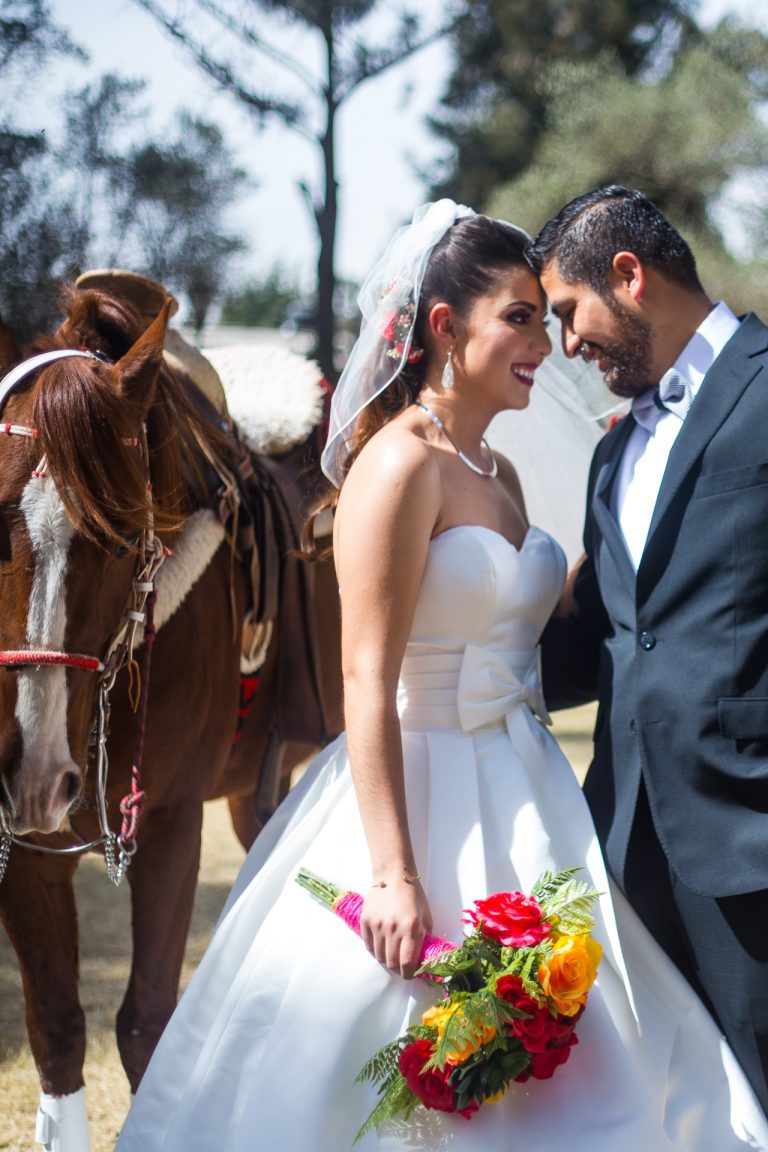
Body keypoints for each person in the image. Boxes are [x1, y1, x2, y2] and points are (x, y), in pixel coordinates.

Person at [115, 200, 767, 1152]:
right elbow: (365, 678)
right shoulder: (395, 468)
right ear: (441, 327)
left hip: (533, 792)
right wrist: (391, 873)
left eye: (548, 316)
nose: (546, 343)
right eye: (519, 316)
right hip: (420, 800)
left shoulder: (501, 475)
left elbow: (572, 625)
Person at [531, 183, 768, 1117]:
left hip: (751, 839)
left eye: (567, 312)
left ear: (627, 278)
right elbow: (601, 648)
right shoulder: (609, 453)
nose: (565, 346)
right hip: (626, 849)